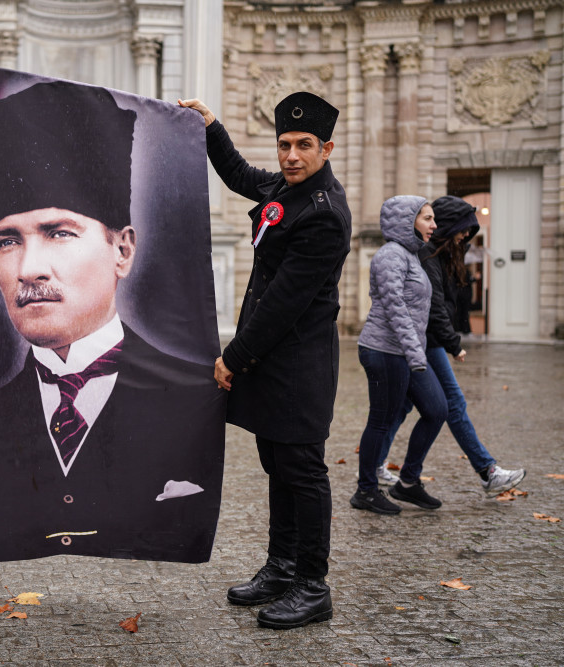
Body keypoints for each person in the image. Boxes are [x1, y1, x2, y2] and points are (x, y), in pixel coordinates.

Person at [0, 80, 226, 564]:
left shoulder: (191, 398)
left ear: (121, 250)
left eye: (58, 232)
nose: (28, 269)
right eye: (6, 241)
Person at [179, 91, 351, 629]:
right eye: (284, 145)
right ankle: (280, 567)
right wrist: (210, 126)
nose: (291, 156)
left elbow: (284, 303)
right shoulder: (285, 185)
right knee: (277, 464)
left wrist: (235, 356)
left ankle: (312, 584)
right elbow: (238, 176)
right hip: (273, 363)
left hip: (297, 364)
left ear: (326, 148)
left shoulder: (324, 213)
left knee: (303, 470)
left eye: (304, 146)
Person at [375, 196, 525, 494]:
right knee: (452, 404)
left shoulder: (440, 254)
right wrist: (453, 344)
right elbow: (434, 308)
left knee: (402, 406)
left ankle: (375, 468)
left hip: (423, 342)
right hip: (425, 343)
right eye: (462, 230)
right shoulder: (426, 256)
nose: (464, 237)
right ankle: (487, 470)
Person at [351, 196, 448, 518]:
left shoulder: (410, 255)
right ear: (407, 220)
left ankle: (407, 482)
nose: (433, 225)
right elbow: (395, 308)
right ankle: (365, 490)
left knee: (437, 409)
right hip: (385, 351)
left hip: (406, 352)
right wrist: (415, 354)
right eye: (427, 218)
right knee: (381, 420)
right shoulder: (391, 256)